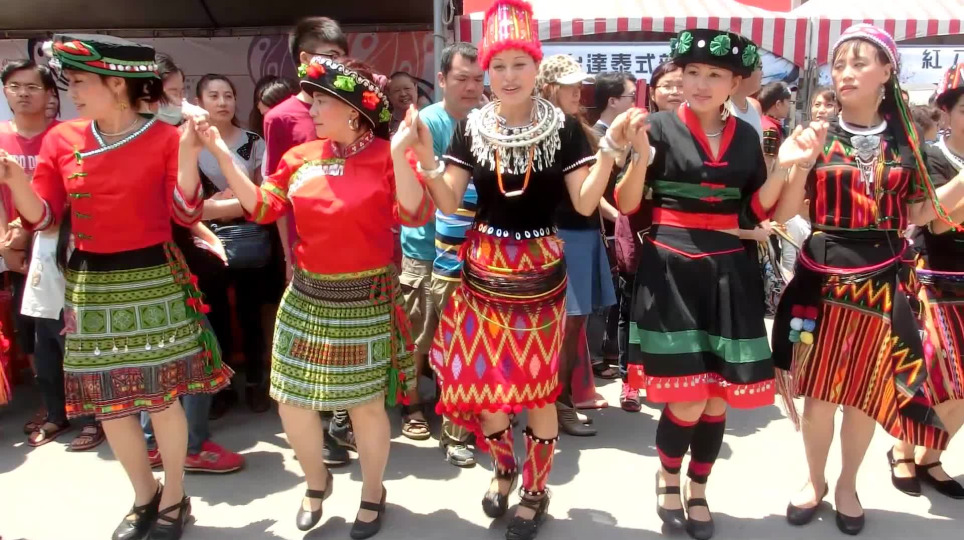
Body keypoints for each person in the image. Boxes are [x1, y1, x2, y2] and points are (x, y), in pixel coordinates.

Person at [394, 2, 640, 538]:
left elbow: (584, 204)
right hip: (482, 271)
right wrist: (425, 156)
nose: (508, 77)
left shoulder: (565, 129)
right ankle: (504, 467)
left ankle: (536, 489)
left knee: (538, 390)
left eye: (519, 65)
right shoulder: (470, 127)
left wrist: (609, 152)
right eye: (498, 66)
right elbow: (447, 202)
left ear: (536, 68)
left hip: (540, 272)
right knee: (487, 386)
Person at [0, 34, 234, 540]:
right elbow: (44, 217)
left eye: (81, 82)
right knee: (110, 401)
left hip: (154, 280)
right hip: (89, 285)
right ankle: (143, 495)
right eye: (70, 82)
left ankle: (174, 496)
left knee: (161, 399)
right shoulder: (62, 139)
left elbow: (185, 212)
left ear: (118, 85)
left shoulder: (166, 138)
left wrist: (189, 153)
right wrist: (14, 181)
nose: (72, 92)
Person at [197, 55, 427, 539]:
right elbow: (262, 207)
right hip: (306, 297)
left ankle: (373, 492)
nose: (312, 110)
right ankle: (316, 481)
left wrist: (401, 151)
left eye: (322, 102)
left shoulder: (388, 155)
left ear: (354, 111)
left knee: (365, 406)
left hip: (366, 298)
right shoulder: (300, 156)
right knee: (292, 402)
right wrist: (218, 151)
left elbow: (413, 213)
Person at [617, 29, 810, 540]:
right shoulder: (655, 126)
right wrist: (639, 155)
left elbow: (755, 210)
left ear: (734, 83)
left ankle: (699, 487)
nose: (700, 84)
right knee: (686, 398)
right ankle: (668, 477)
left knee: (719, 397)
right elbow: (629, 203)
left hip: (729, 271)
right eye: (692, 73)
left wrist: (787, 166)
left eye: (715, 75)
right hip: (671, 268)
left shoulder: (747, 135)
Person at [771, 25, 964, 535]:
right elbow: (785, 213)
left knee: (863, 394)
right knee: (820, 397)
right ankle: (814, 480)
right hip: (823, 278)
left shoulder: (907, 141)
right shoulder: (817, 135)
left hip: (883, 281)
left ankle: (847, 485)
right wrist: (799, 165)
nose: (846, 73)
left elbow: (921, 214)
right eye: (839, 65)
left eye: (859, 63)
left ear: (886, 73)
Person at [0, 59, 105, 451]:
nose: (23, 94)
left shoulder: (68, 136)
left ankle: (94, 416)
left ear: (49, 95)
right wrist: (9, 245)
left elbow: (72, 195)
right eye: (14, 86)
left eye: (32, 86)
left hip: (68, 247)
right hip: (26, 253)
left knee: (73, 336)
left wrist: (26, 229)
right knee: (41, 338)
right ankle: (57, 412)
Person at [262, 15, 353, 466]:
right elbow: (275, 195)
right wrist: (286, 254)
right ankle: (321, 431)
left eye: (342, 57)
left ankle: (342, 420)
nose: (338, 65)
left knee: (349, 339)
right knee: (315, 343)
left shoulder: (356, 108)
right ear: (303, 59)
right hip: (306, 249)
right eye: (329, 56)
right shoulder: (281, 118)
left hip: (355, 246)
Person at [886, 63, 964, 501]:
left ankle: (931, 456)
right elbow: (939, 222)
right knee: (937, 377)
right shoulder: (930, 157)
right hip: (936, 281)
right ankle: (902, 448)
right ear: (946, 112)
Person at [536, 54, 615, 436]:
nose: (577, 92)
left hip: (581, 234)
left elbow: (586, 190)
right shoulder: (548, 127)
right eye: (569, 86)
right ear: (549, 87)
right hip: (561, 236)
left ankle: (560, 402)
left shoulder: (574, 126)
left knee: (573, 326)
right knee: (564, 328)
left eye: (578, 85)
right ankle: (557, 405)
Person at [192, 73, 276, 414]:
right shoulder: (186, 144)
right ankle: (221, 387)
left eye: (228, 95)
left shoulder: (253, 142)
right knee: (215, 317)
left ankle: (256, 382)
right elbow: (182, 205)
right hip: (203, 242)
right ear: (198, 103)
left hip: (249, 241)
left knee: (250, 313)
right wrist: (229, 205)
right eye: (213, 96)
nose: (222, 102)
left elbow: (262, 198)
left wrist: (211, 208)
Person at [424, 41, 485, 468]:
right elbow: (434, 195)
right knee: (452, 350)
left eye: (478, 79)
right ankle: (454, 430)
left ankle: (481, 423)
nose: (471, 87)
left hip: (494, 258)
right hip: (446, 256)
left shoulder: (495, 121)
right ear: (443, 79)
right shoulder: (428, 124)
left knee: (485, 349)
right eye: (462, 78)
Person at [610, 60, 683, 413]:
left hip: (682, 240)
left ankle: (666, 377)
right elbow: (621, 179)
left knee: (672, 311)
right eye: (667, 85)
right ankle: (629, 380)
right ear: (653, 92)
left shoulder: (700, 133)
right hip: (641, 233)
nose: (676, 91)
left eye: (681, 84)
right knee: (634, 309)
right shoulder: (642, 127)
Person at [593, 70, 644, 412]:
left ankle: (608, 354)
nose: (634, 104)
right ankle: (602, 358)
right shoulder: (597, 137)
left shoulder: (632, 138)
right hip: (609, 231)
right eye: (629, 97)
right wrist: (621, 216)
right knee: (611, 303)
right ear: (613, 101)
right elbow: (595, 193)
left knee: (617, 302)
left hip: (623, 230)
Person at [728, 57, 764, 140]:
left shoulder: (753, 108)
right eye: (760, 67)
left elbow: (759, 147)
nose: (762, 73)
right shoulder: (720, 108)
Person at [760, 82, 792, 166]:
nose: (789, 106)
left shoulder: (764, 122)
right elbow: (768, 165)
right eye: (788, 101)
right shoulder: (770, 129)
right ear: (778, 104)